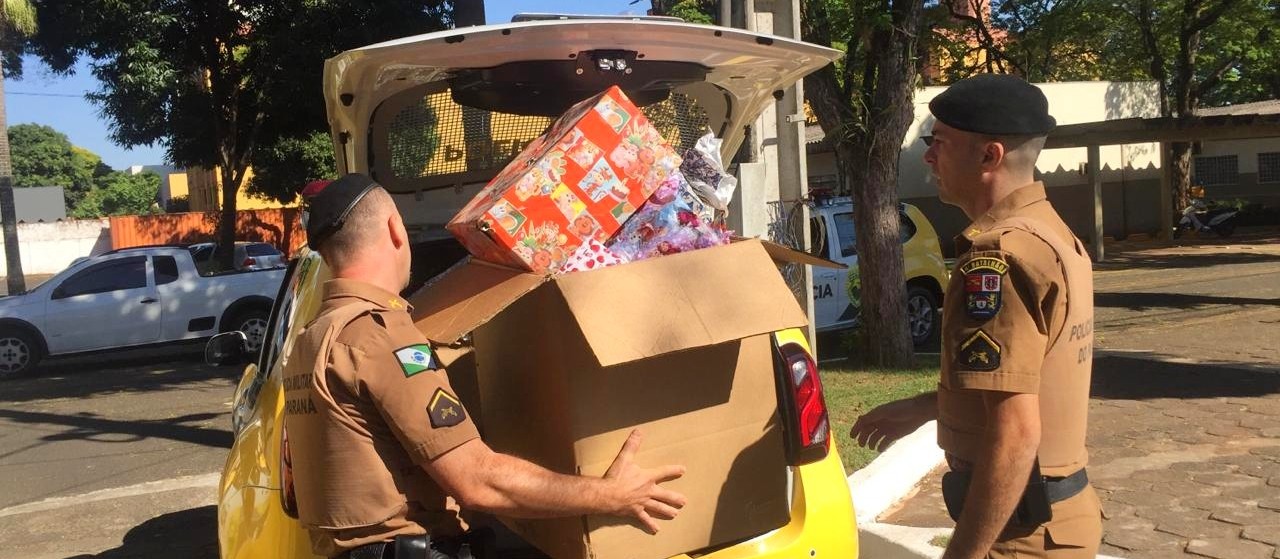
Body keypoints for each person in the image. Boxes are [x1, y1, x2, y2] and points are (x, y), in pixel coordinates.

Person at [284, 173, 687, 559]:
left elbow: (307, 489)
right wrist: (612, 494)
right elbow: (476, 481)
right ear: (395, 228)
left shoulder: (310, 341)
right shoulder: (381, 336)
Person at [849, 74, 1100, 559]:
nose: (928, 156)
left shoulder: (997, 257)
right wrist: (931, 406)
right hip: (1056, 519)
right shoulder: (1050, 233)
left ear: (990, 156)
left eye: (937, 142)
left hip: (1019, 533)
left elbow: (1016, 431)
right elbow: (1030, 377)